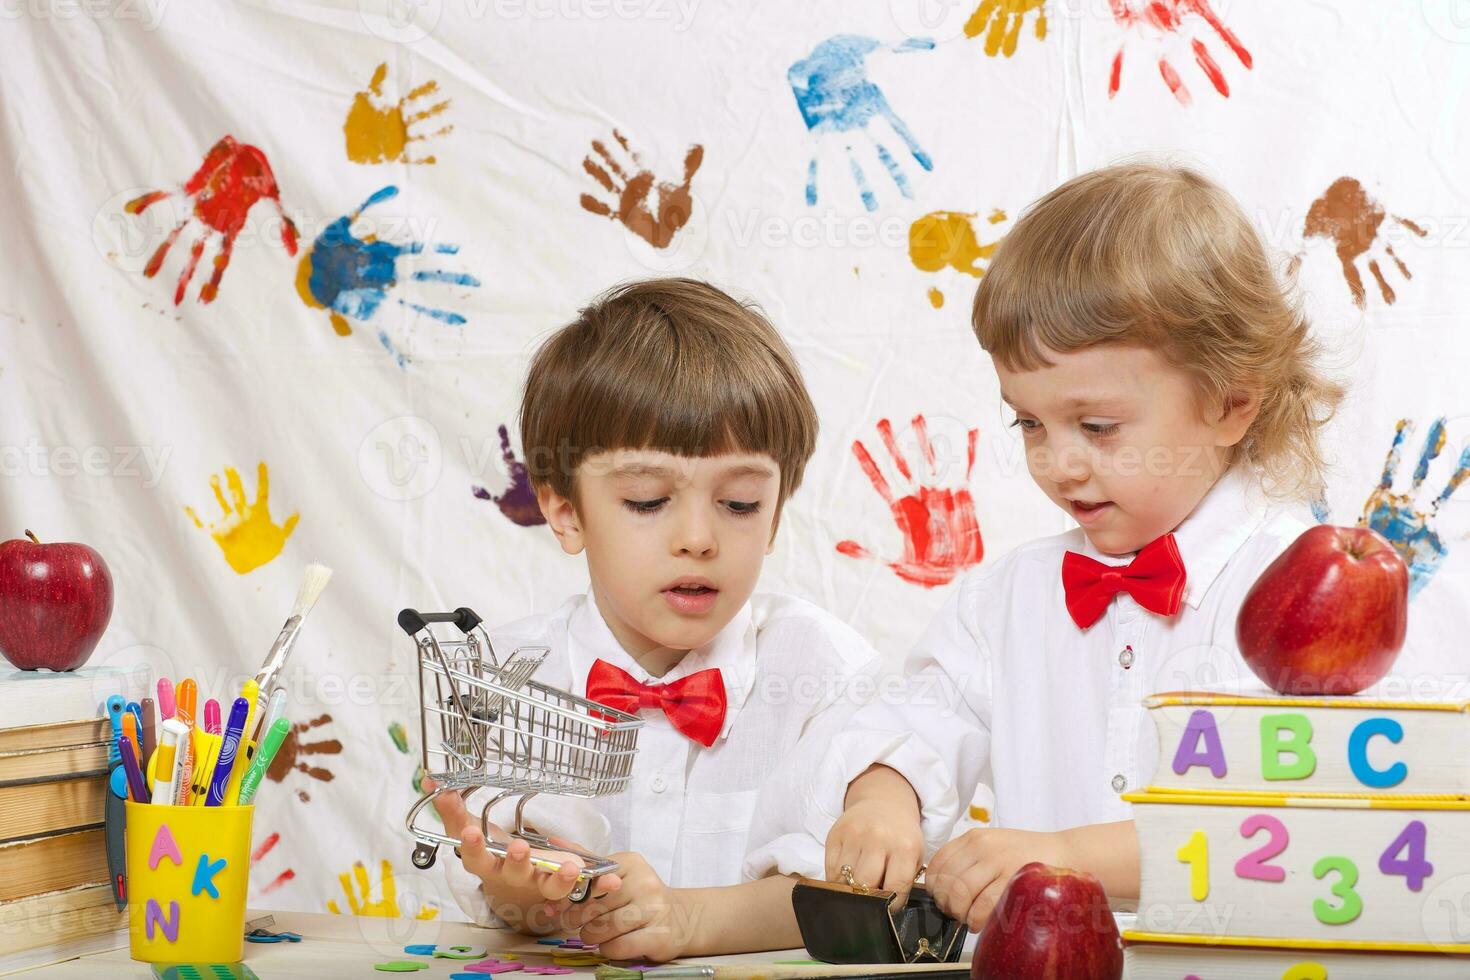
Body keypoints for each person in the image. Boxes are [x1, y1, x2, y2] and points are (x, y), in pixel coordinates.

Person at [810, 161, 1346, 930]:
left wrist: (1069, 853)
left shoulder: (1306, 597)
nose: (1057, 463)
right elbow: (920, 721)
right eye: (1029, 423)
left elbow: (1294, 831)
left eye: (1097, 427)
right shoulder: (1007, 599)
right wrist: (883, 798)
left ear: (1231, 404)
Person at [432, 277, 883, 961]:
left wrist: (692, 920)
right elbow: (486, 884)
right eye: (647, 500)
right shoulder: (497, 678)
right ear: (564, 510)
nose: (699, 537)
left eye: (738, 503)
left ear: (776, 515)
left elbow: (857, 897)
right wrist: (524, 894)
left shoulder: (824, 671)